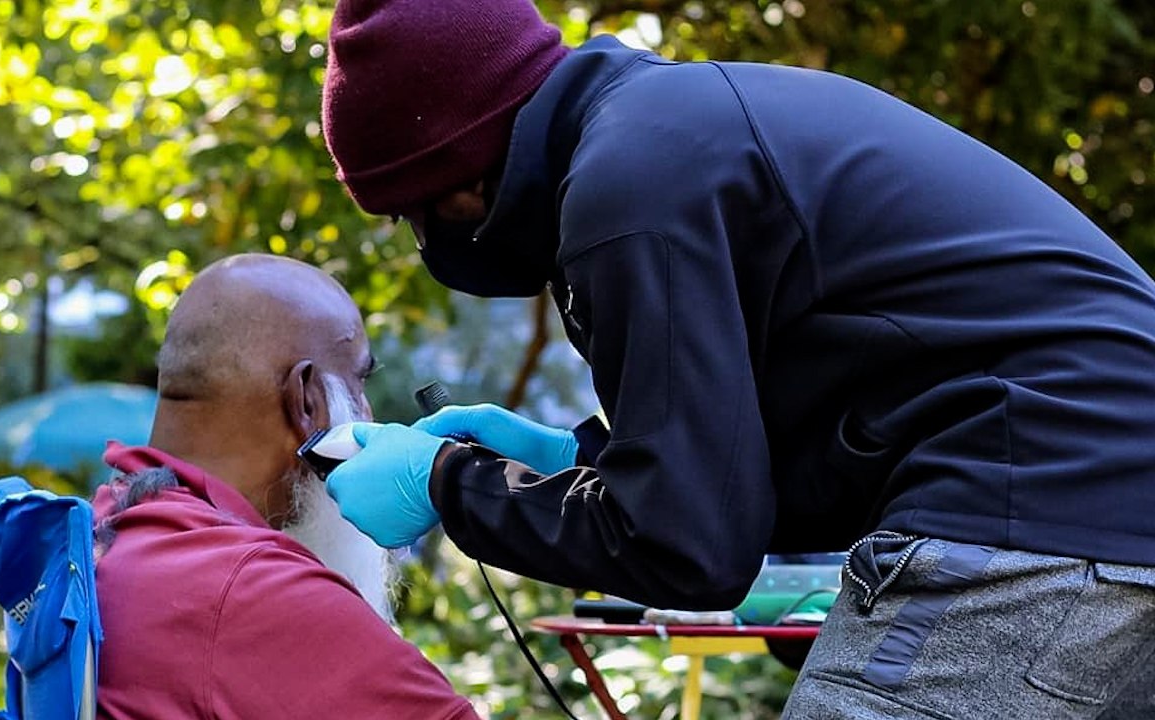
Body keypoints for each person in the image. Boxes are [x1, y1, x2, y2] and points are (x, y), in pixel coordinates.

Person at [318, 0, 1155, 717]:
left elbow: (689, 549)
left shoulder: (625, 188)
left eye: (409, 213)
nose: (427, 241)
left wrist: (444, 483)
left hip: (1041, 507)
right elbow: (741, 483)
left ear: (458, 176)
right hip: (1105, 500)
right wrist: (586, 462)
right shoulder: (667, 132)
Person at [91, 254, 477, 719]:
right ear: (306, 398)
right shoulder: (251, 590)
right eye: (358, 382)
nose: (367, 413)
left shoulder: (110, 524)